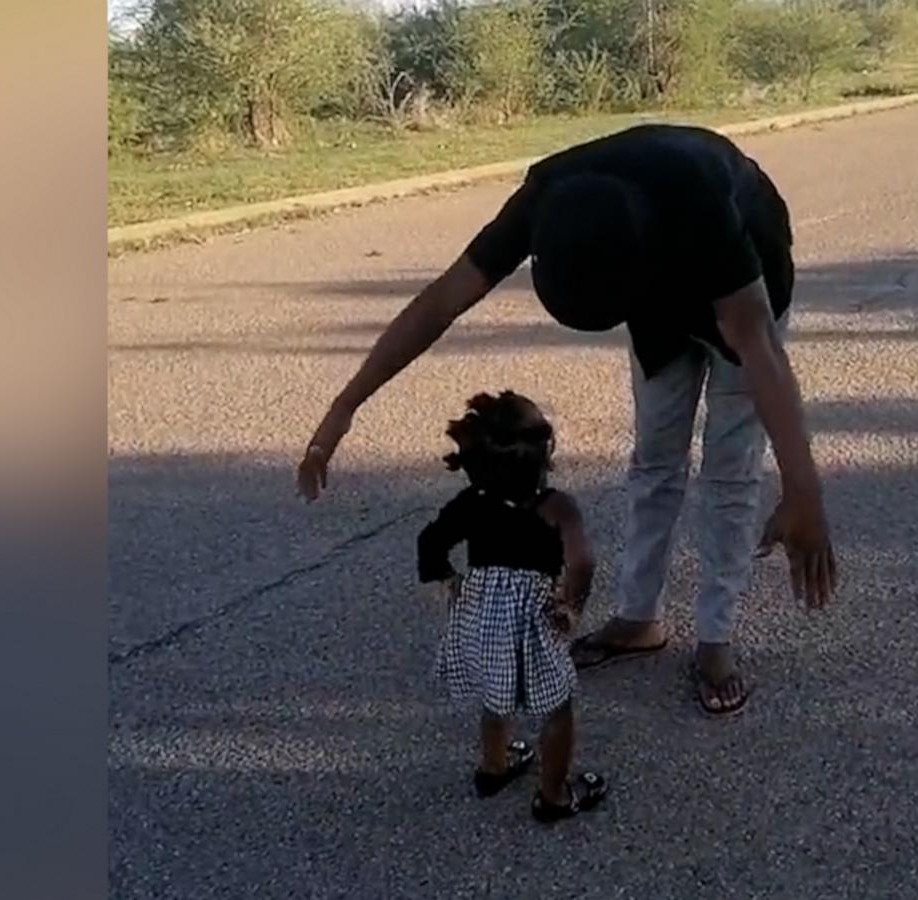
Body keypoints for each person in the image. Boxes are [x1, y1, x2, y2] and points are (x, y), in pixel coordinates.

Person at [301, 123, 839, 718]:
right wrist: (344, 406)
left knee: (730, 467)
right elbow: (441, 300)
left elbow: (759, 345)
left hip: (746, 278)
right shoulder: (544, 197)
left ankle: (715, 639)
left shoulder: (701, 205)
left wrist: (803, 490)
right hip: (649, 285)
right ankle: (640, 619)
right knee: (656, 456)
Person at [417, 391, 607, 822]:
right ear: (545, 454)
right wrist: (571, 606)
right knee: (557, 707)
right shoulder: (558, 507)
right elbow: (582, 562)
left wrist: (448, 580)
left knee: (494, 692)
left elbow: (430, 542)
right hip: (534, 621)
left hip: (481, 619)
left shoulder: (471, 503)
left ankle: (494, 766)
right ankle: (555, 796)